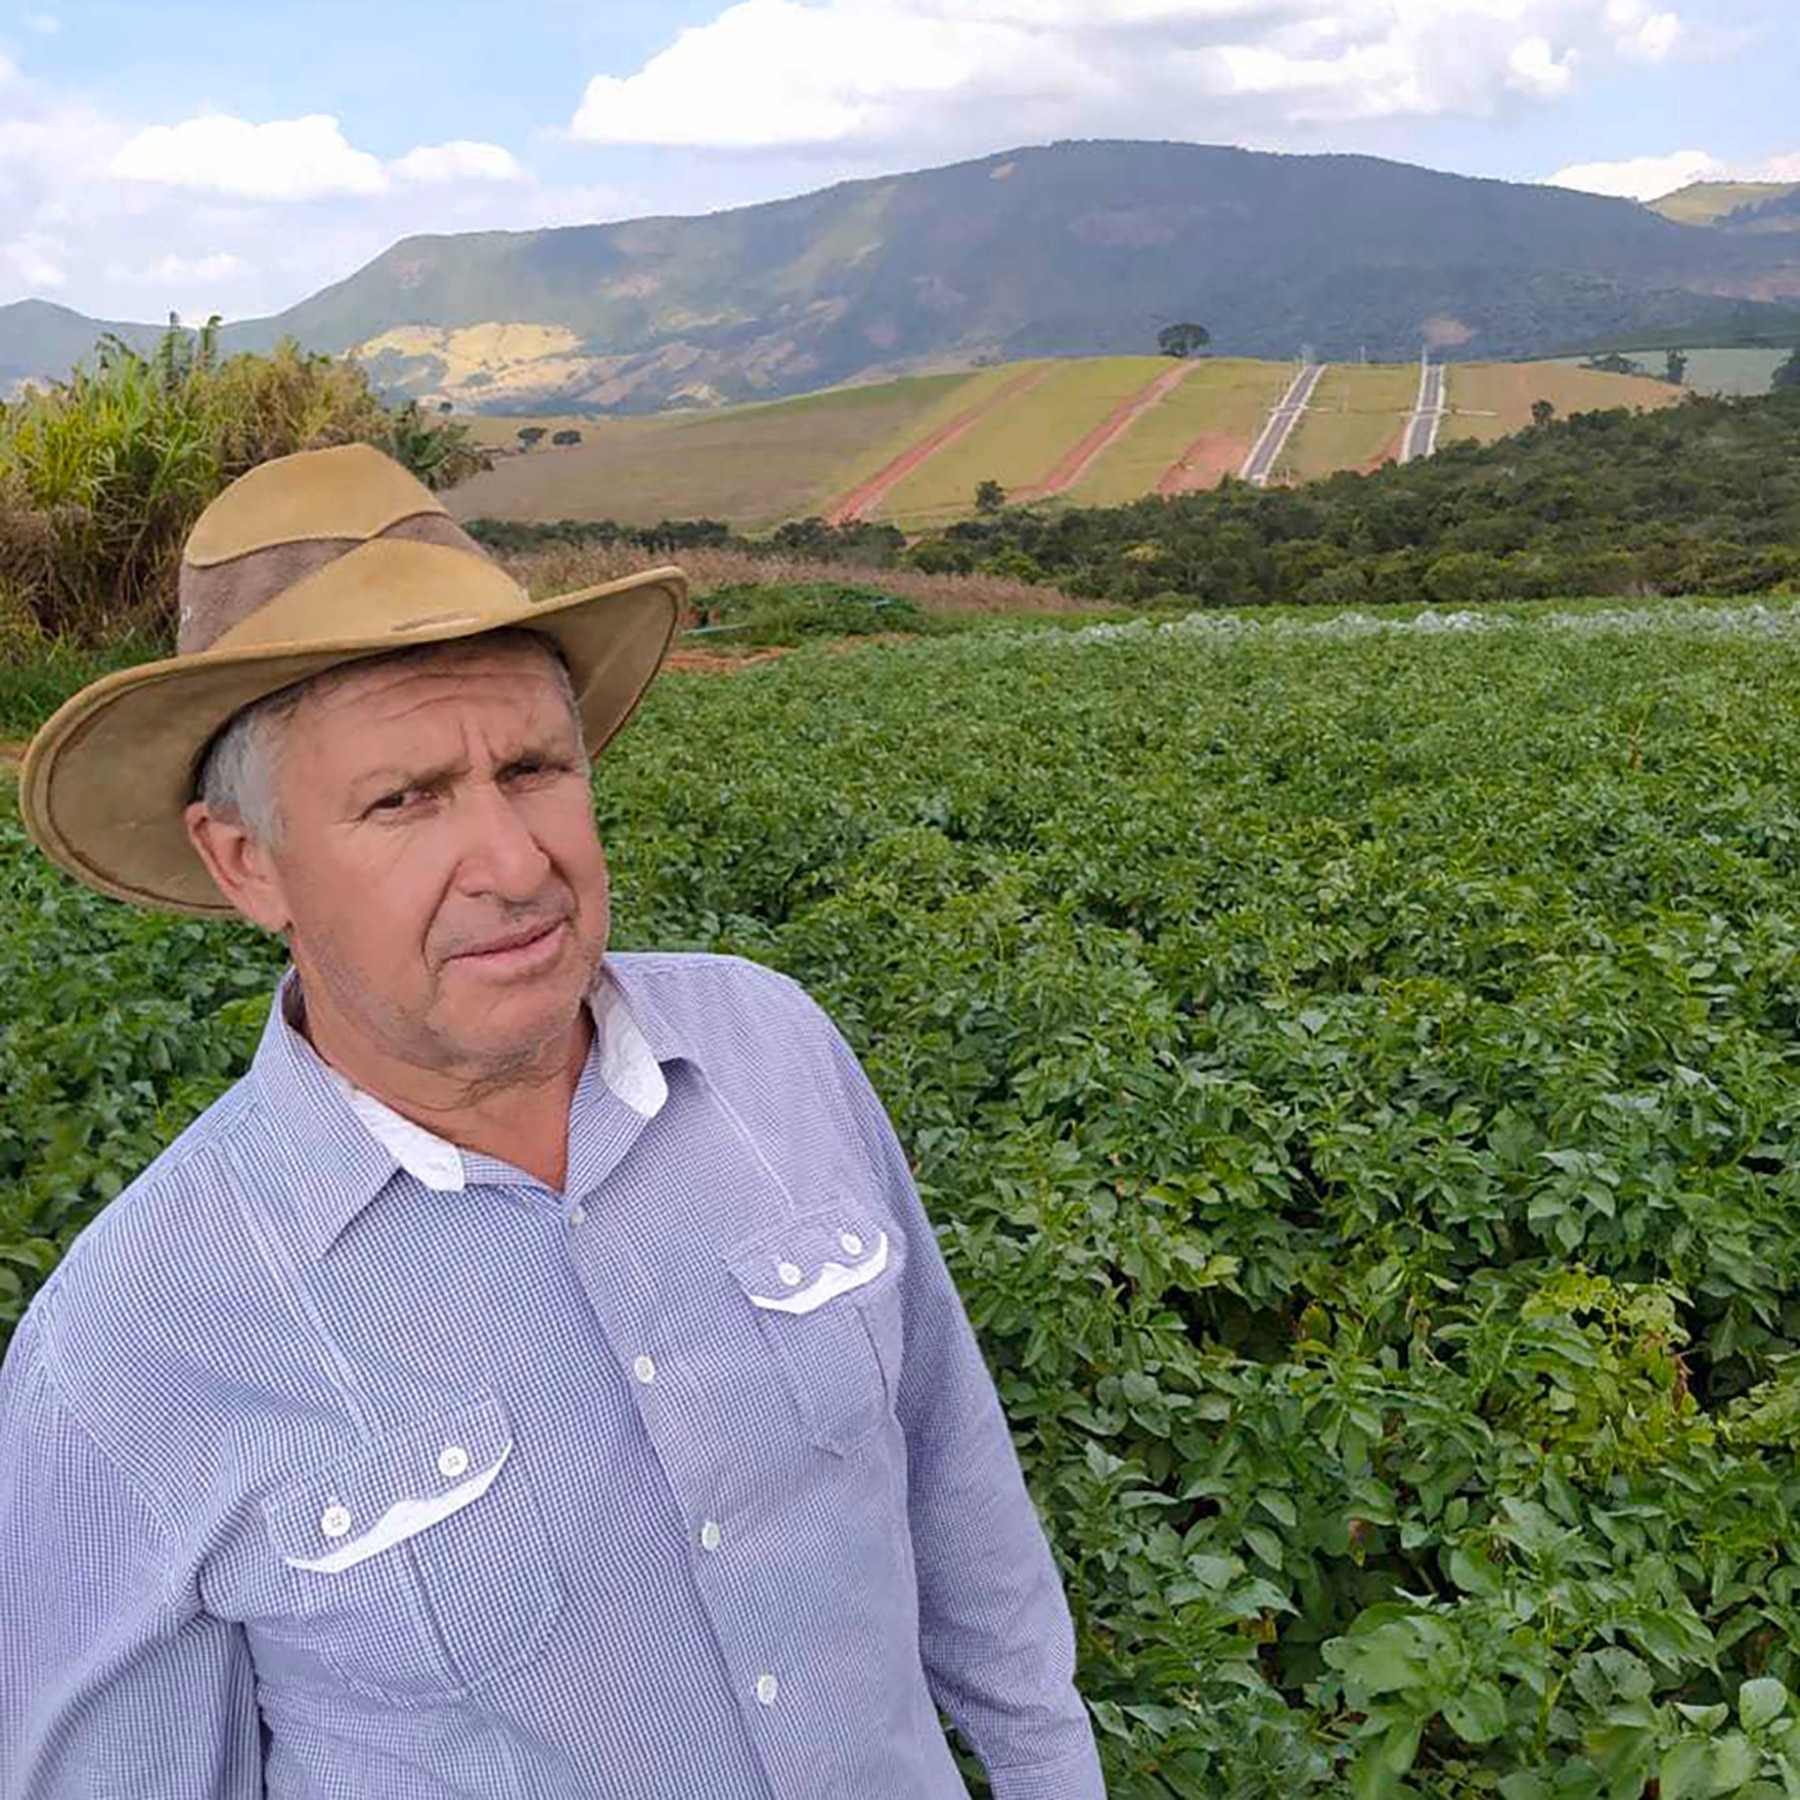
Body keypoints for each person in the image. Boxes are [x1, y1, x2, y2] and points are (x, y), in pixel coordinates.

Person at [0, 444, 1106, 1800]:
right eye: (404, 800)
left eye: (532, 768)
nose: (517, 865)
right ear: (249, 863)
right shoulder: (127, 1348)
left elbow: (954, 1477)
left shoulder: (773, 1047)